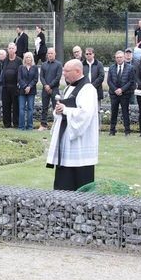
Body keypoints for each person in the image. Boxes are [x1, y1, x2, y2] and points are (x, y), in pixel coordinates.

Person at [46, 59, 99, 190]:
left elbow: (85, 114)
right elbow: (64, 108)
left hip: (80, 143)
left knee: (80, 186)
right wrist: (59, 110)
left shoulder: (88, 89)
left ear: (78, 71)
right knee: (63, 183)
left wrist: (65, 110)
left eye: (67, 71)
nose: (64, 74)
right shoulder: (69, 88)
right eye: (63, 70)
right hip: (67, 143)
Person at [106, 50, 134, 136]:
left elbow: (131, 81)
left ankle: (127, 131)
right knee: (113, 112)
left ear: (124, 57)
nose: (119, 59)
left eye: (120, 57)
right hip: (114, 94)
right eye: (117, 57)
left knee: (125, 112)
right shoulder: (111, 68)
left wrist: (122, 90)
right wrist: (115, 90)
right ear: (115, 58)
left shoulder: (130, 68)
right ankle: (112, 130)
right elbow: (109, 81)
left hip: (125, 94)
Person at [38, 48, 62, 131]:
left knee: (56, 107)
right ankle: (43, 125)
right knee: (44, 107)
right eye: (48, 53)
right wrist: (45, 86)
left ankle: (56, 125)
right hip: (45, 89)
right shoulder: (44, 64)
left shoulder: (59, 64)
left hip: (54, 89)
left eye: (51, 53)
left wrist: (50, 86)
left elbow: (58, 77)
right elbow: (41, 77)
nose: (50, 55)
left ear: (55, 54)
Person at [16, 52, 38, 131]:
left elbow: (35, 79)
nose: (28, 59)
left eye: (29, 57)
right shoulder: (21, 67)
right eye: (26, 57)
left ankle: (30, 126)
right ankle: (21, 126)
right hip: (22, 91)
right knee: (21, 108)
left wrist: (29, 87)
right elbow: (19, 78)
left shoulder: (35, 67)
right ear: (24, 58)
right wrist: (25, 86)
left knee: (30, 108)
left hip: (31, 91)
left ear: (32, 58)